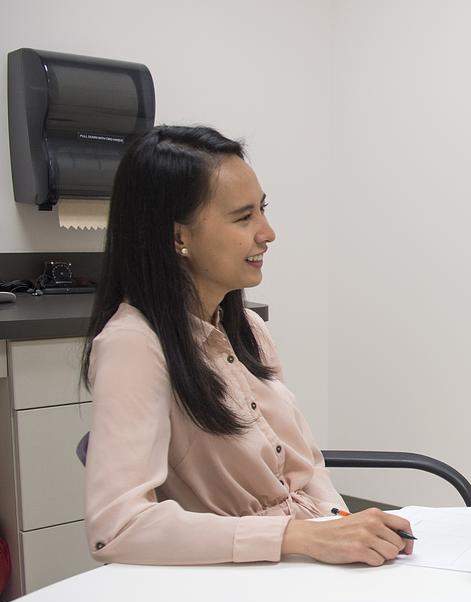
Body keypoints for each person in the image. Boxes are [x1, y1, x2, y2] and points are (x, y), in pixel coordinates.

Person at [83, 125, 413, 567]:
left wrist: (345, 525)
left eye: (263, 210)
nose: (268, 233)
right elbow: (117, 529)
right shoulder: (134, 348)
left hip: (303, 558)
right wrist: (297, 538)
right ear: (178, 237)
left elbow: (308, 466)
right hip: (241, 581)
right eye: (243, 218)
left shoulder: (248, 329)